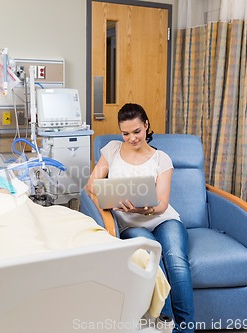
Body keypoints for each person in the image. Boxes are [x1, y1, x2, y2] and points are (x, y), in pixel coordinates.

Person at [85, 103, 194, 332]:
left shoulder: (161, 159)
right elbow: (91, 186)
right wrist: (112, 202)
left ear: (146, 126)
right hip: (130, 224)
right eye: (126, 133)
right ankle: (167, 324)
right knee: (154, 261)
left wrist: (145, 209)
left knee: (176, 261)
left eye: (136, 131)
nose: (132, 138)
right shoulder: (112, 149)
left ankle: (186, 329)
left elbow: (162, 204)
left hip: (163, 218)